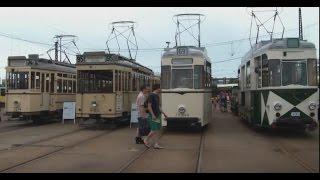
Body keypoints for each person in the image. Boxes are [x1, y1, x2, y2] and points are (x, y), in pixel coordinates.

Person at [143, 84, 168, 149]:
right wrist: (153, 115)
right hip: (153, 115)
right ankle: (146, 139)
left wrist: (164, 113)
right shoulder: (151, 95)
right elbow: (149, 106)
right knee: (154, 130)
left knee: (157, 130)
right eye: (160, 88)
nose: (161, 89)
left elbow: (158, 106)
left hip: (158, 115)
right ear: (157, 88)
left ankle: (156, 144)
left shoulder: (157, 96)